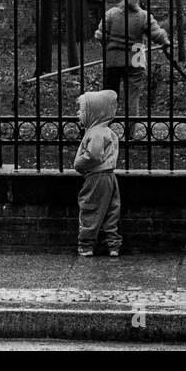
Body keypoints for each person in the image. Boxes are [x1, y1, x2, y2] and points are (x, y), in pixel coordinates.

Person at [95, 0, 169, 111]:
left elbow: (100, 35)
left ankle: (106, 128)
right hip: (136, 58)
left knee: (109, 98)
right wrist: (166, 42)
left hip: (113, 59)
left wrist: (108, 47)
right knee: (132, 99)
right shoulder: (143, 15)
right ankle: (130, 130)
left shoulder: (111, 14)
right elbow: (156, 33)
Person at [73, 89, 121, 258]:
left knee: (90, 208)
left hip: (96, 177)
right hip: (110, 176)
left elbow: (94, 155)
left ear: (93, 113)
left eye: (82, 111)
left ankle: (86, 244)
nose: (78, 114)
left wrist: (79, 164)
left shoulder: (95, 133)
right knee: (111, 211)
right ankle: (113, 244)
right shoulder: (109, 132)